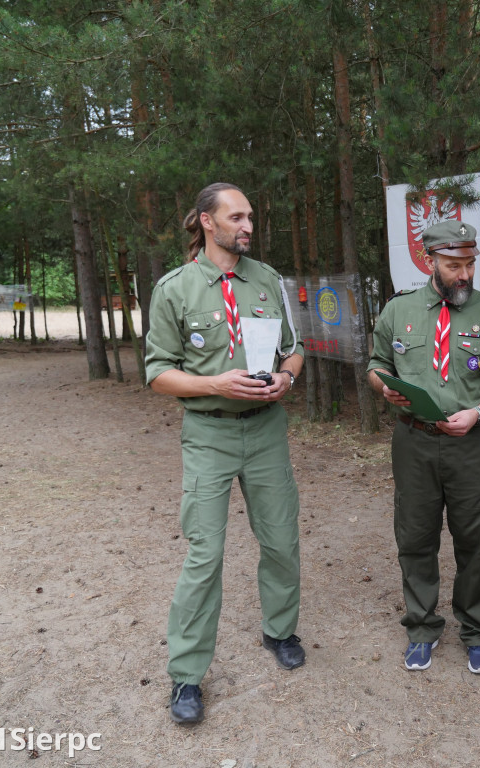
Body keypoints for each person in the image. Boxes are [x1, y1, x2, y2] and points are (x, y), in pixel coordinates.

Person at [145, 182, 306, 724]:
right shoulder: (176, 289)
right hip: (209, 435)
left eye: (251, 217)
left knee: (281, 540)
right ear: (206, 222)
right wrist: (216, 384)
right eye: (236, 217)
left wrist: (285, 377)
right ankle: (187, 675)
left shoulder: (268, 281)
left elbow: (295, 349)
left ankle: (280, 630)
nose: (248, 226)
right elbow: (159, 374)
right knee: (203, 555)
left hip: (266, 431)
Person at [367, 220, 480, 674]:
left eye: (469, 265)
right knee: (415, 536)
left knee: (475, 538)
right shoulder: (398, 310)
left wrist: (479, 412)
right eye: (453, 265)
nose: (463, 274)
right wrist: (384, 388)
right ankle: (421, 627)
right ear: (430, 262)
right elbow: (377, 363)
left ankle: (477, 631)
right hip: (413, 442)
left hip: (471, 446)